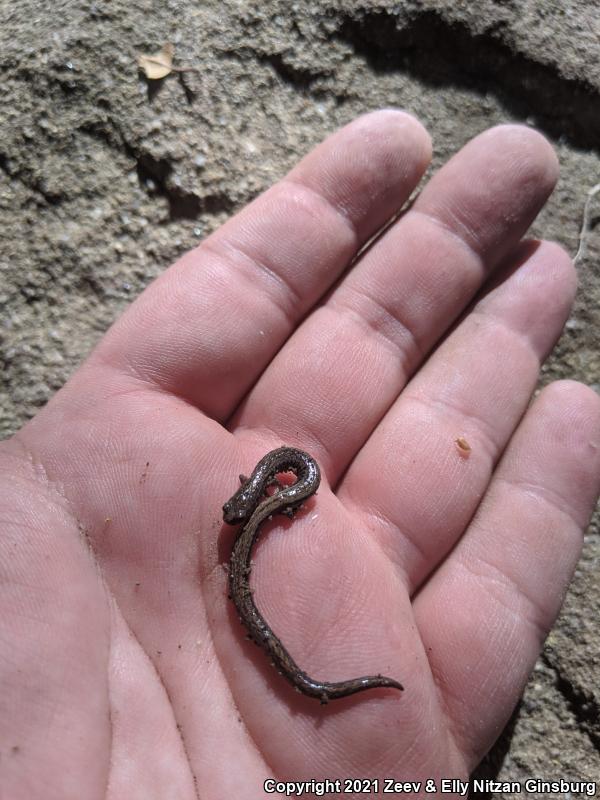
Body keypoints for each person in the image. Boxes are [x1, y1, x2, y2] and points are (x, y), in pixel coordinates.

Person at [1, 109, 598, 797]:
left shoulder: (286, 486)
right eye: (242, 506)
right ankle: (313, 684)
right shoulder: (272, 487)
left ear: (262, 491)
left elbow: (273, 499)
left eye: (242, 505)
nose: (234, 514)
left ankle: (319, 683)